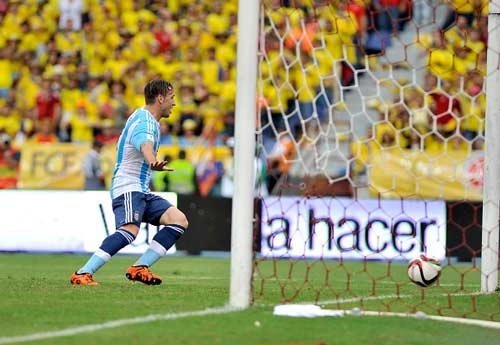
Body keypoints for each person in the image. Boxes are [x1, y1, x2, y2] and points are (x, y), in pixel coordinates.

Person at [71, 79, 188, 286]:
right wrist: (152, 161)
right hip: (128, 186)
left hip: (140, 188)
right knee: (129, 230)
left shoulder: (144, 117)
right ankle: (83, 272)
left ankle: (139, 268)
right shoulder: (146, 122)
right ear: (160, 98)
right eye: (172, 98)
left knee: (178, 220)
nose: (174, 103)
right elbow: (144, 143)